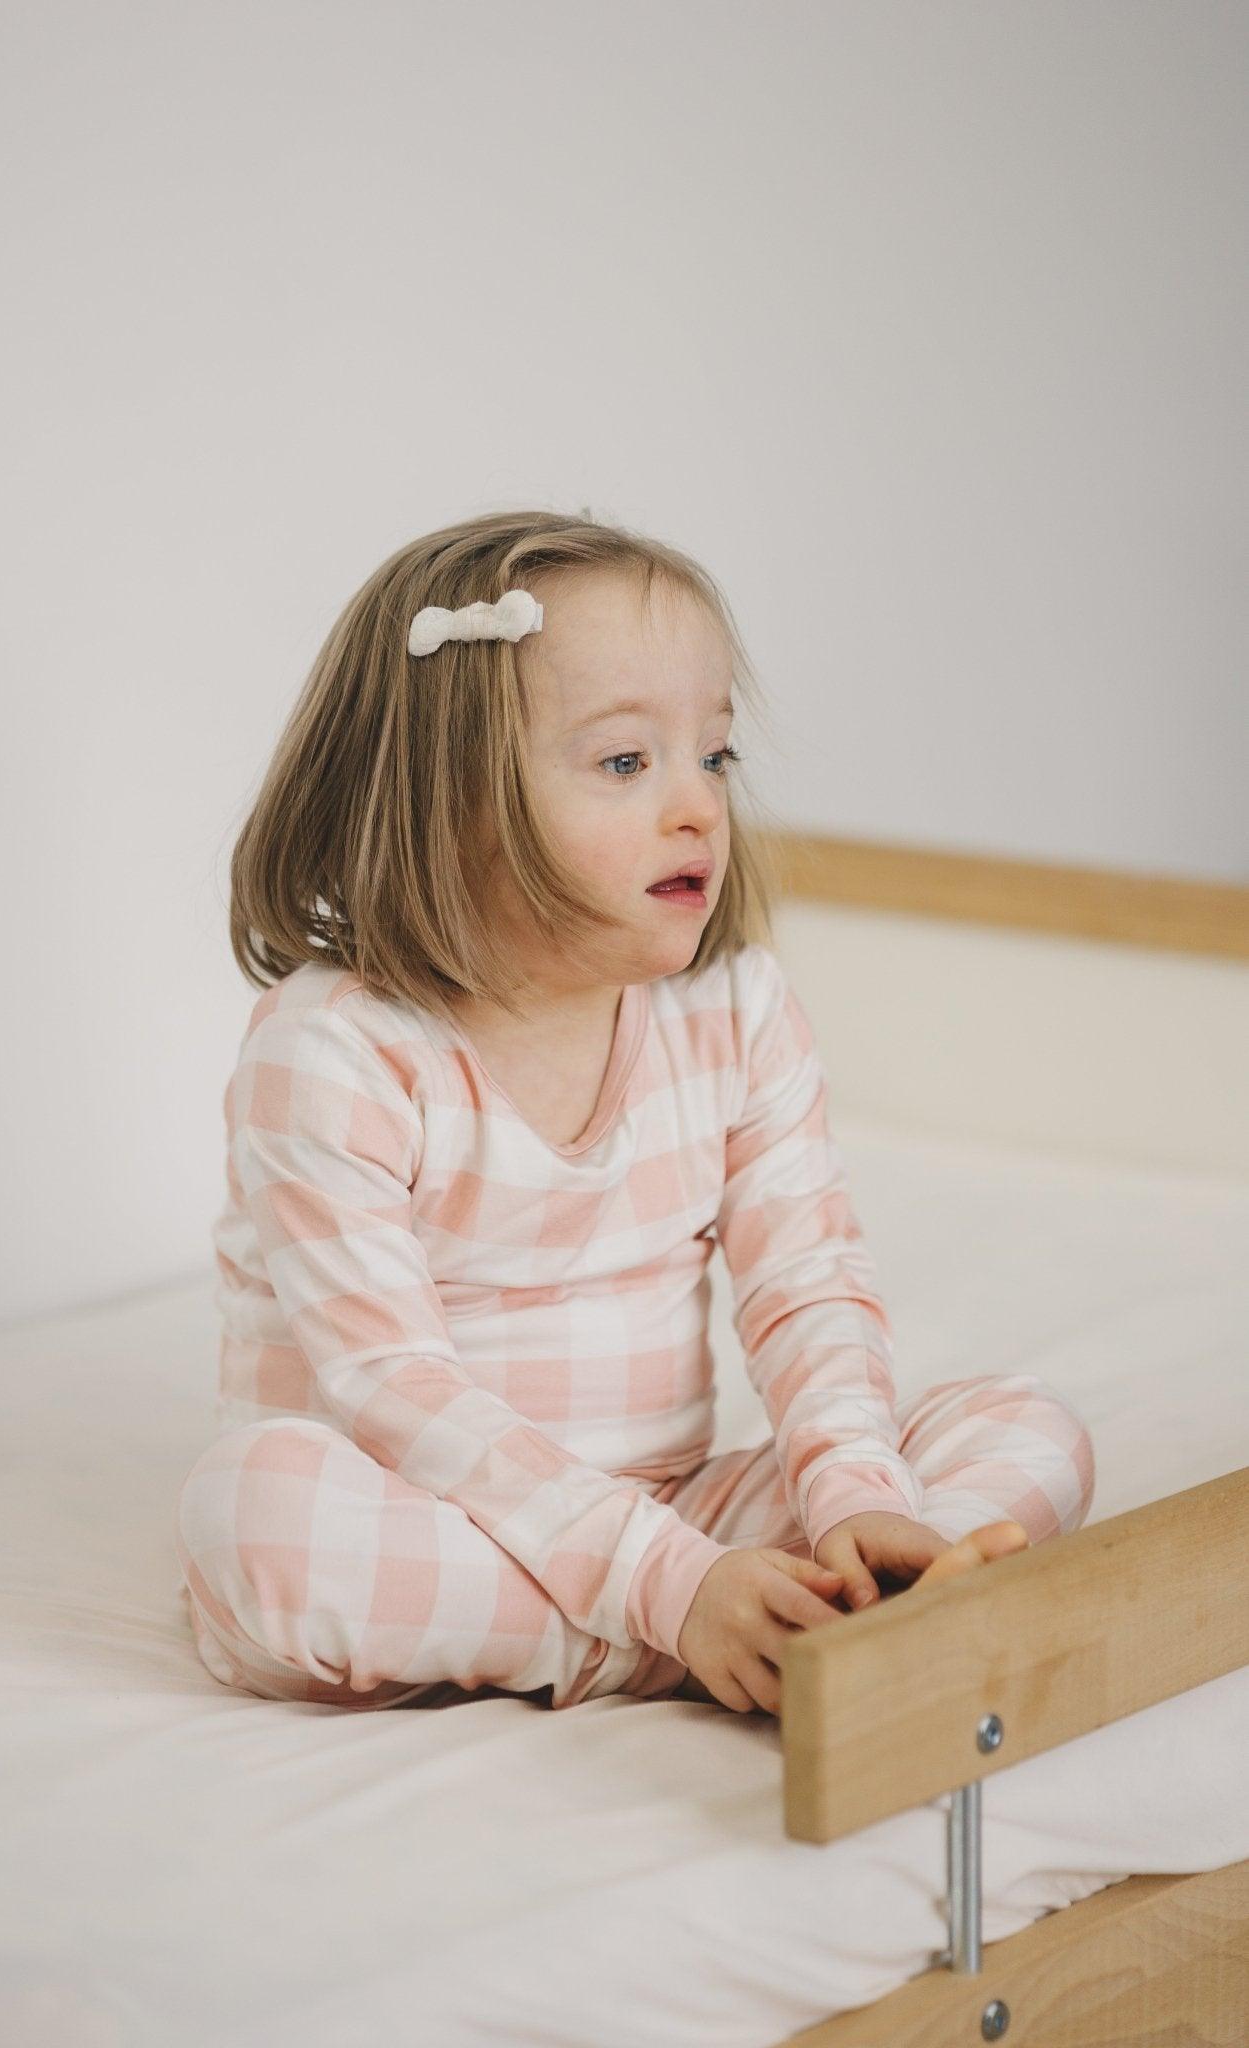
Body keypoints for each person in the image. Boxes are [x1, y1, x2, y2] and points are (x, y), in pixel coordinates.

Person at [173, 507, 1095, 1719]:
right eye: (625, 762)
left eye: (715, 754)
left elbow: (806, 1286)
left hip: (677, 1510)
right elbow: (393, 1384)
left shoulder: (734, 1008)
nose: (699, 804)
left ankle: (823, 1604)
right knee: (262, 1514)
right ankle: (714, 1641)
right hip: (441, 1511)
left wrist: (858, 1500)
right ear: (453, 803)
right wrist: (674, 1590)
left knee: (1026, 1426)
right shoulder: (336, 1048)